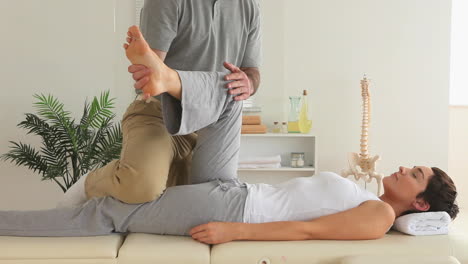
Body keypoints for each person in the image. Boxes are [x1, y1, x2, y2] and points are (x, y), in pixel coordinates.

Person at [0, 26, 458, 244]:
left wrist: (232, 232)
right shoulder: (369, 199)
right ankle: (169, 80)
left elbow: (305, 229)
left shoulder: (378, 215)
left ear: (419, 202)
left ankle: (81, 187)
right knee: (234, 94)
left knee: (106, 214)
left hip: (230, 207)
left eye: (414, 174)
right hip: (232, 185)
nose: (402, 167)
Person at [57, 0, 263, 206]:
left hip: (214, 122)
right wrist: (151, 70)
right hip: (159, 113)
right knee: (142, 187)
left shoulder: (249, 6)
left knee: (211, 202)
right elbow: (150, 72)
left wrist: (249, 83)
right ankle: (89, 183)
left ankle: (170, 79)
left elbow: (252, 72)